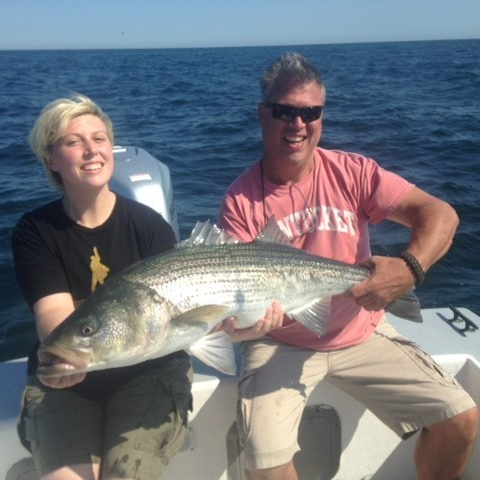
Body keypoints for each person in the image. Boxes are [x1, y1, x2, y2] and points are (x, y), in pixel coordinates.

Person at [217, 53, 478, 480]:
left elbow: (441, 214)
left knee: (461, 419)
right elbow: (238, 304)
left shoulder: (352, 172)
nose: (297, 124)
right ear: (263, 115)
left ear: (321, 117)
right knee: (263, 462)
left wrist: (409, 268)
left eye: (310, 112)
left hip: (361, 328)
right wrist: (245, 327)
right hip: (281, 339)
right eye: (285, 111)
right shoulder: (240, 200)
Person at [12, 94, 192, 480]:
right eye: (73, 141)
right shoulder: (36, 230)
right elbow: (52, 314)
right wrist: (70, 357)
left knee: (128, 473)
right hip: (65, 379)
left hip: (150, 369)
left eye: (99, 138)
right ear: (51, 159)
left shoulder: (150, 227)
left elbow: (185, 311)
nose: (91, 150)